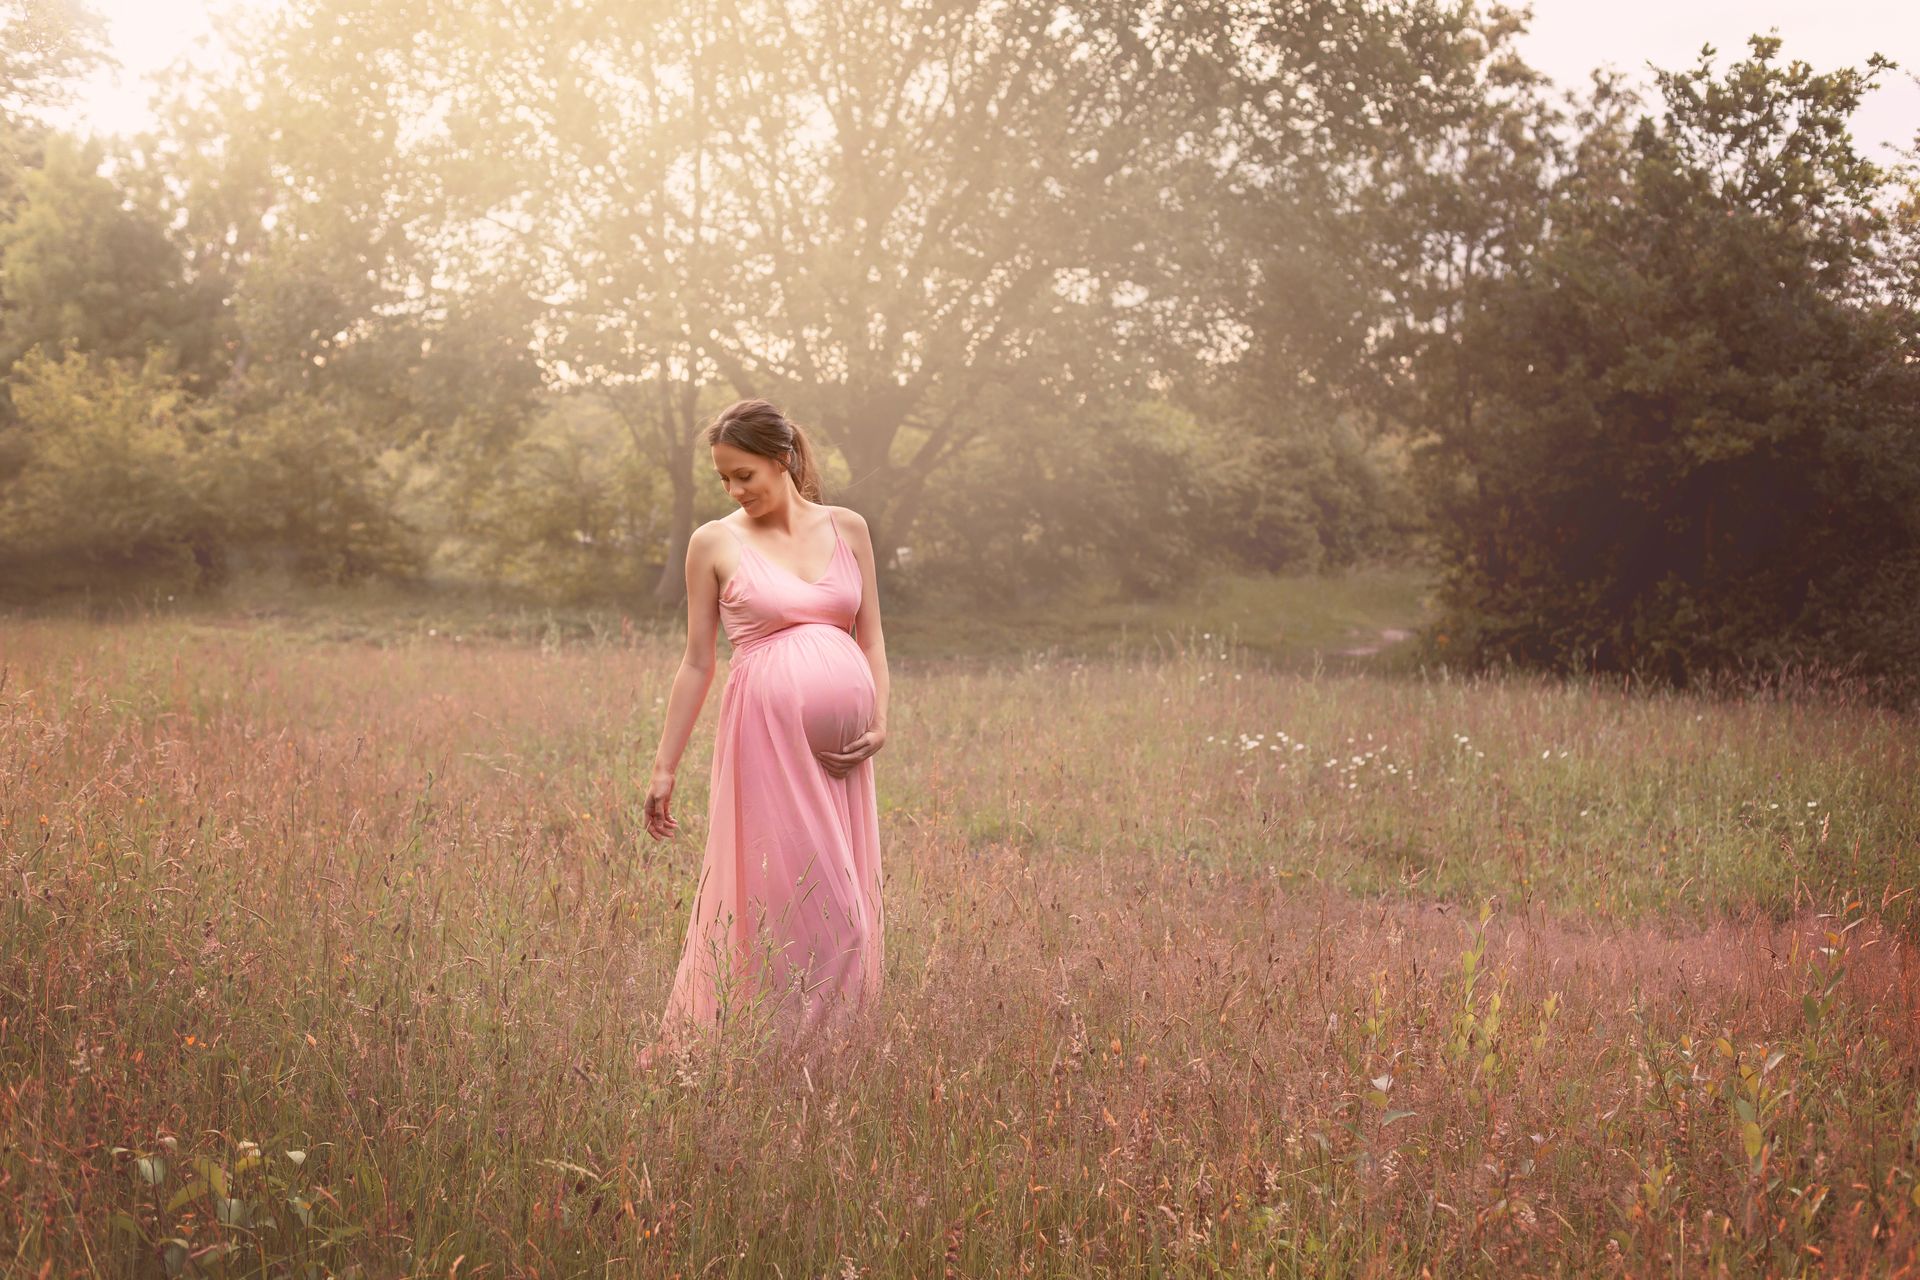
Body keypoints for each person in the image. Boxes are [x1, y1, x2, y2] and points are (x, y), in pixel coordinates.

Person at [638, 399, 890, 1068]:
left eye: (743, 474)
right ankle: (761, 1052)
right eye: (723, 478)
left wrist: (880, 719)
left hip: (842, 759)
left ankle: (827, 1062)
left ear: (783, 459)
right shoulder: (714, 543)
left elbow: (871, 638)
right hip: (766, 744)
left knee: (847, 910)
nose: (734, 490)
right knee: (793, 901)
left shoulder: (849, 529)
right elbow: (697, 662)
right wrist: (665, 766)